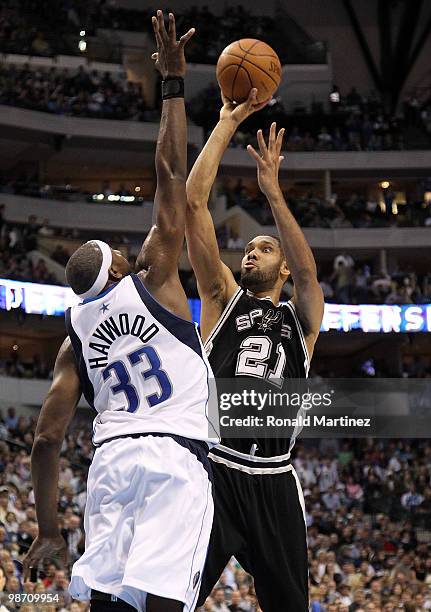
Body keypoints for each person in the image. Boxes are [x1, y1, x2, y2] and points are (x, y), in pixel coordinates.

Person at [23, 11, 218, 612]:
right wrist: (173, 84)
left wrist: (50, 530)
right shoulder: (152, 279)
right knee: (162, 604)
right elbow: (170, 175)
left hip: (111, 464)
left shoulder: (73, 338)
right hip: (175, 459)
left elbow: (46, 438)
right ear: (113, 270)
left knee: (109, 603)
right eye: (121, 255)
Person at [186, 96, 324, 610]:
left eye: (265, 248)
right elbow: (194, 204)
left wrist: (273, 193)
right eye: (251, 247)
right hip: (216, 469)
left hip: (274, 481)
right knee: (176, 594)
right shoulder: (221, 300)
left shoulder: (301, 320)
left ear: (283, 268)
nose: (252, 250)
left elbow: (309, 274)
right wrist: (225, 122)